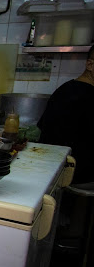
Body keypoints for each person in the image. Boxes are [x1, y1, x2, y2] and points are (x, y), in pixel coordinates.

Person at [38, 45, 94, 184]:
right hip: (78, 175)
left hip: (50, 170)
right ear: (90, 64)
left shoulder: (65, 88)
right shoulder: (86, 96)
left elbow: (42, 127)